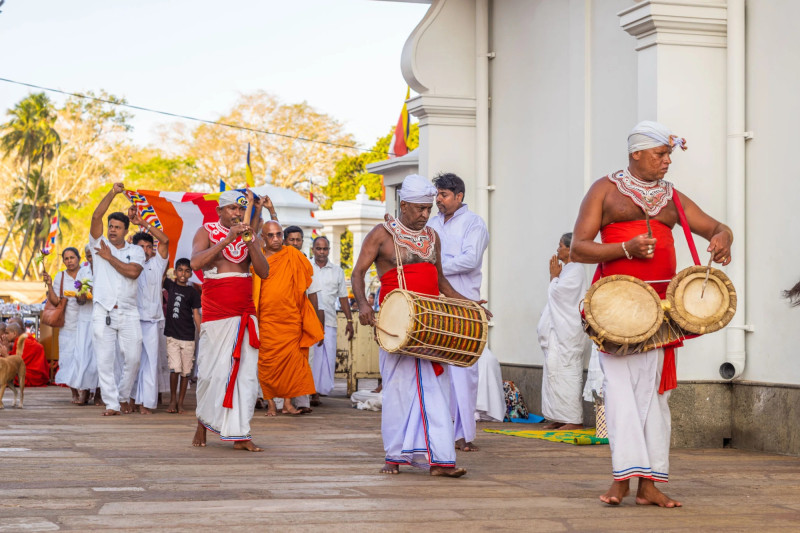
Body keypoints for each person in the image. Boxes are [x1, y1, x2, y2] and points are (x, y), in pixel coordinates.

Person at [571, 120, 733, 507]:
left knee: (656, 399)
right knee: (622, 394)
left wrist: (723, 237)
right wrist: (625, 249)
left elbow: (715, 225)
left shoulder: (672, 198)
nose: (666, 162)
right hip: (616, 310)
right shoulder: (605, 191)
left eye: (668, 155)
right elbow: (578, 247)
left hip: (664, 312)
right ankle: (622, 479)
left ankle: (649, 484)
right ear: (636, 154)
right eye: (660, 155)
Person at [352, 173, 481, 478]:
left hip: (430, 324)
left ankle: (440, 460)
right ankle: (394, 456)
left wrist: (469, 305)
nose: (426, 214)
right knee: (398, 389)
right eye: (421, 208)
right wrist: (364, 305)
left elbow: (441, 282)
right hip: (395, 324)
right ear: (404, 204)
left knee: (436, 389)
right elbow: (357, 273)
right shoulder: (381, 235)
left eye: (429, 209)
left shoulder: (432, 237)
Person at [190, 189, 268, 451]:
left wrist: (251, 243)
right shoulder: (206, 232)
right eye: (232, 208)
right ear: (220, 211)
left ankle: (241, 434)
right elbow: (196, 263)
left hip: (245, 313)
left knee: (245, 376)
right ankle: (203, 423)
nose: (237, 213)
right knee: (212, 374)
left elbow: (264, 271)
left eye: (240, 209)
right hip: (216, 315)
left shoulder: (249, 234)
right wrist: (226, 240)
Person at [426, 172, 494, 452]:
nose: (438, 200)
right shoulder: (431, 223)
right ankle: (439, 430)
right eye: (437, 195)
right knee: (437, 370)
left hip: (464, 304)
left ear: (459, 197)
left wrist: (437, 266)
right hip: (434, 303)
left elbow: (470, 260)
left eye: (443, 195)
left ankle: (464, 435)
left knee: (464, 371)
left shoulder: (474, 223)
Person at [255, 221, 323, 417]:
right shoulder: (258, 257)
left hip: (291, 318)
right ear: (264, 238)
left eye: (278, 234)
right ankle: (270, 405)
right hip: (267, 319)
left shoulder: (292, 255)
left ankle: (287, 404)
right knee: (267, 363)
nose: (275, 238)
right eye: (271, 235)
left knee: (292, 363)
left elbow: (306, 287)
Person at [89, 183, 145, 416]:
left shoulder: (136, 250)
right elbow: (96, 215)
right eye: (110, 226)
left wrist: (110, 258)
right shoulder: (98, 244)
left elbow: (133, 272)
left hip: (129, 311)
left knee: (133, 358)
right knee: (104, 360)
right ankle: (112, 404)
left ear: (125, 231)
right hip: (103, 310)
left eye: (117, 227)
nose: (112, 230)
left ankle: (122, 396)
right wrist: (113, 192)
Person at [537, 232, 588, 431]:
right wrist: (556, 278)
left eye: (560, 246)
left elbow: (560, 296)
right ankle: (557, 416)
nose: (557, 249)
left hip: (567, 332)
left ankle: (573, 419)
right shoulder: (567, 270)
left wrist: (553, 278)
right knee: (553, 370)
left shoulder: (576, 270)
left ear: (570, 248)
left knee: (567, 372)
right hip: (556, 332)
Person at [129, 207, 170, 415]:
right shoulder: (128, 263)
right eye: (141, 246)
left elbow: (165, 241)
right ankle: (128, 399)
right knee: (130, 361)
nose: (145, 250)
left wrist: (142, 223)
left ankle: (146, 404)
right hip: (132, 320)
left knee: (150, 363)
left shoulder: (157, 263)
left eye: (148, 246)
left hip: (152, 322)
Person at [309, 235, 354, 402]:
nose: (322, 252)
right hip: (308, 320)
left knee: (325, 359)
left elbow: (343, 298)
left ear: (328, 250)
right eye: (318, 248)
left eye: (325, 248)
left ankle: (317, 392)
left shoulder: (338, 271)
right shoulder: (306, 266)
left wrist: (350, 321)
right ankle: (309, 390)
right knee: (311, 357)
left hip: (329, 320)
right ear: (313, 250)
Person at [43, 247, 87, 403]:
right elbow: (55, 301)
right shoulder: (60, 276)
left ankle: (86, 392)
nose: (69, 261)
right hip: (67, 324)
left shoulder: (86, 273)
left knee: (85, 358)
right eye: (66, 258)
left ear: (79, 258)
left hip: (86, 322)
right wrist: (49, 284)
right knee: (68, 359)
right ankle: (74, 392)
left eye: (72, 257)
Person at [163, 258, 202, 414]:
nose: (183, 274)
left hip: (188, 337)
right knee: (174, 369)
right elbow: (161, 272)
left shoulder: (192, 292)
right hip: (172, 336)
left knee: (186, 372)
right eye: (180, 270)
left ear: (191, 273)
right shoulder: (170, 286)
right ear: (175, 272)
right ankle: (172, 400)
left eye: (187, 271)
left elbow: (196, 314)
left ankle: (181, 402)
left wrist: (201, 332)